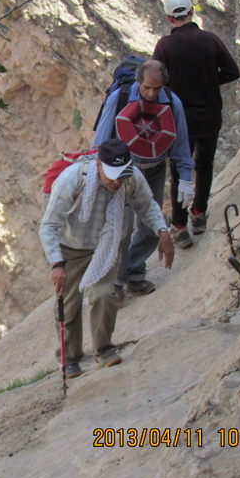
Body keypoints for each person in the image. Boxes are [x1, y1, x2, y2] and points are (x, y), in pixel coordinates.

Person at [39, 138, 174, 378]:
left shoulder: (130, 178)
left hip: (108, 244)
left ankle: (104, 350)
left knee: (104, 295)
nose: (116, 181)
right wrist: (57, 263)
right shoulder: (72, 179)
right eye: (112, 175)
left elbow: (147, 206)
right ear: (98, 165)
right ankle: (70, 359)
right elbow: (49, 226)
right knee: (68, 305)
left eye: (121, 176)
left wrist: (163, 232)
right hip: (71, 247)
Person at [92, 60, 194, 303]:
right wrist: (101, 175)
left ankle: (134, 273)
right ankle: (115, 282)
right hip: (124, 171)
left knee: (151, 225)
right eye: (147, 88)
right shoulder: (120, 98)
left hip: (154, 169)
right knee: (121, 228)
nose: (151, 93)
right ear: (138, 83)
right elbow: (101, 141)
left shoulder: (171, 102)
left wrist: (187, 179)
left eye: (156, 88)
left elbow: (180, 144)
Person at [153, 0, 240, 246]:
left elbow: (154, 79)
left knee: (180, 170)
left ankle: (179, 226)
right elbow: (232, 71)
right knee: (205, 164)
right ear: (192, 11)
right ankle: (199, 214)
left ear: (170, 18)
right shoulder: (210, 40)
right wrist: (211, 81)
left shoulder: (165, 46)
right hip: (210, 115)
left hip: (180, 119)